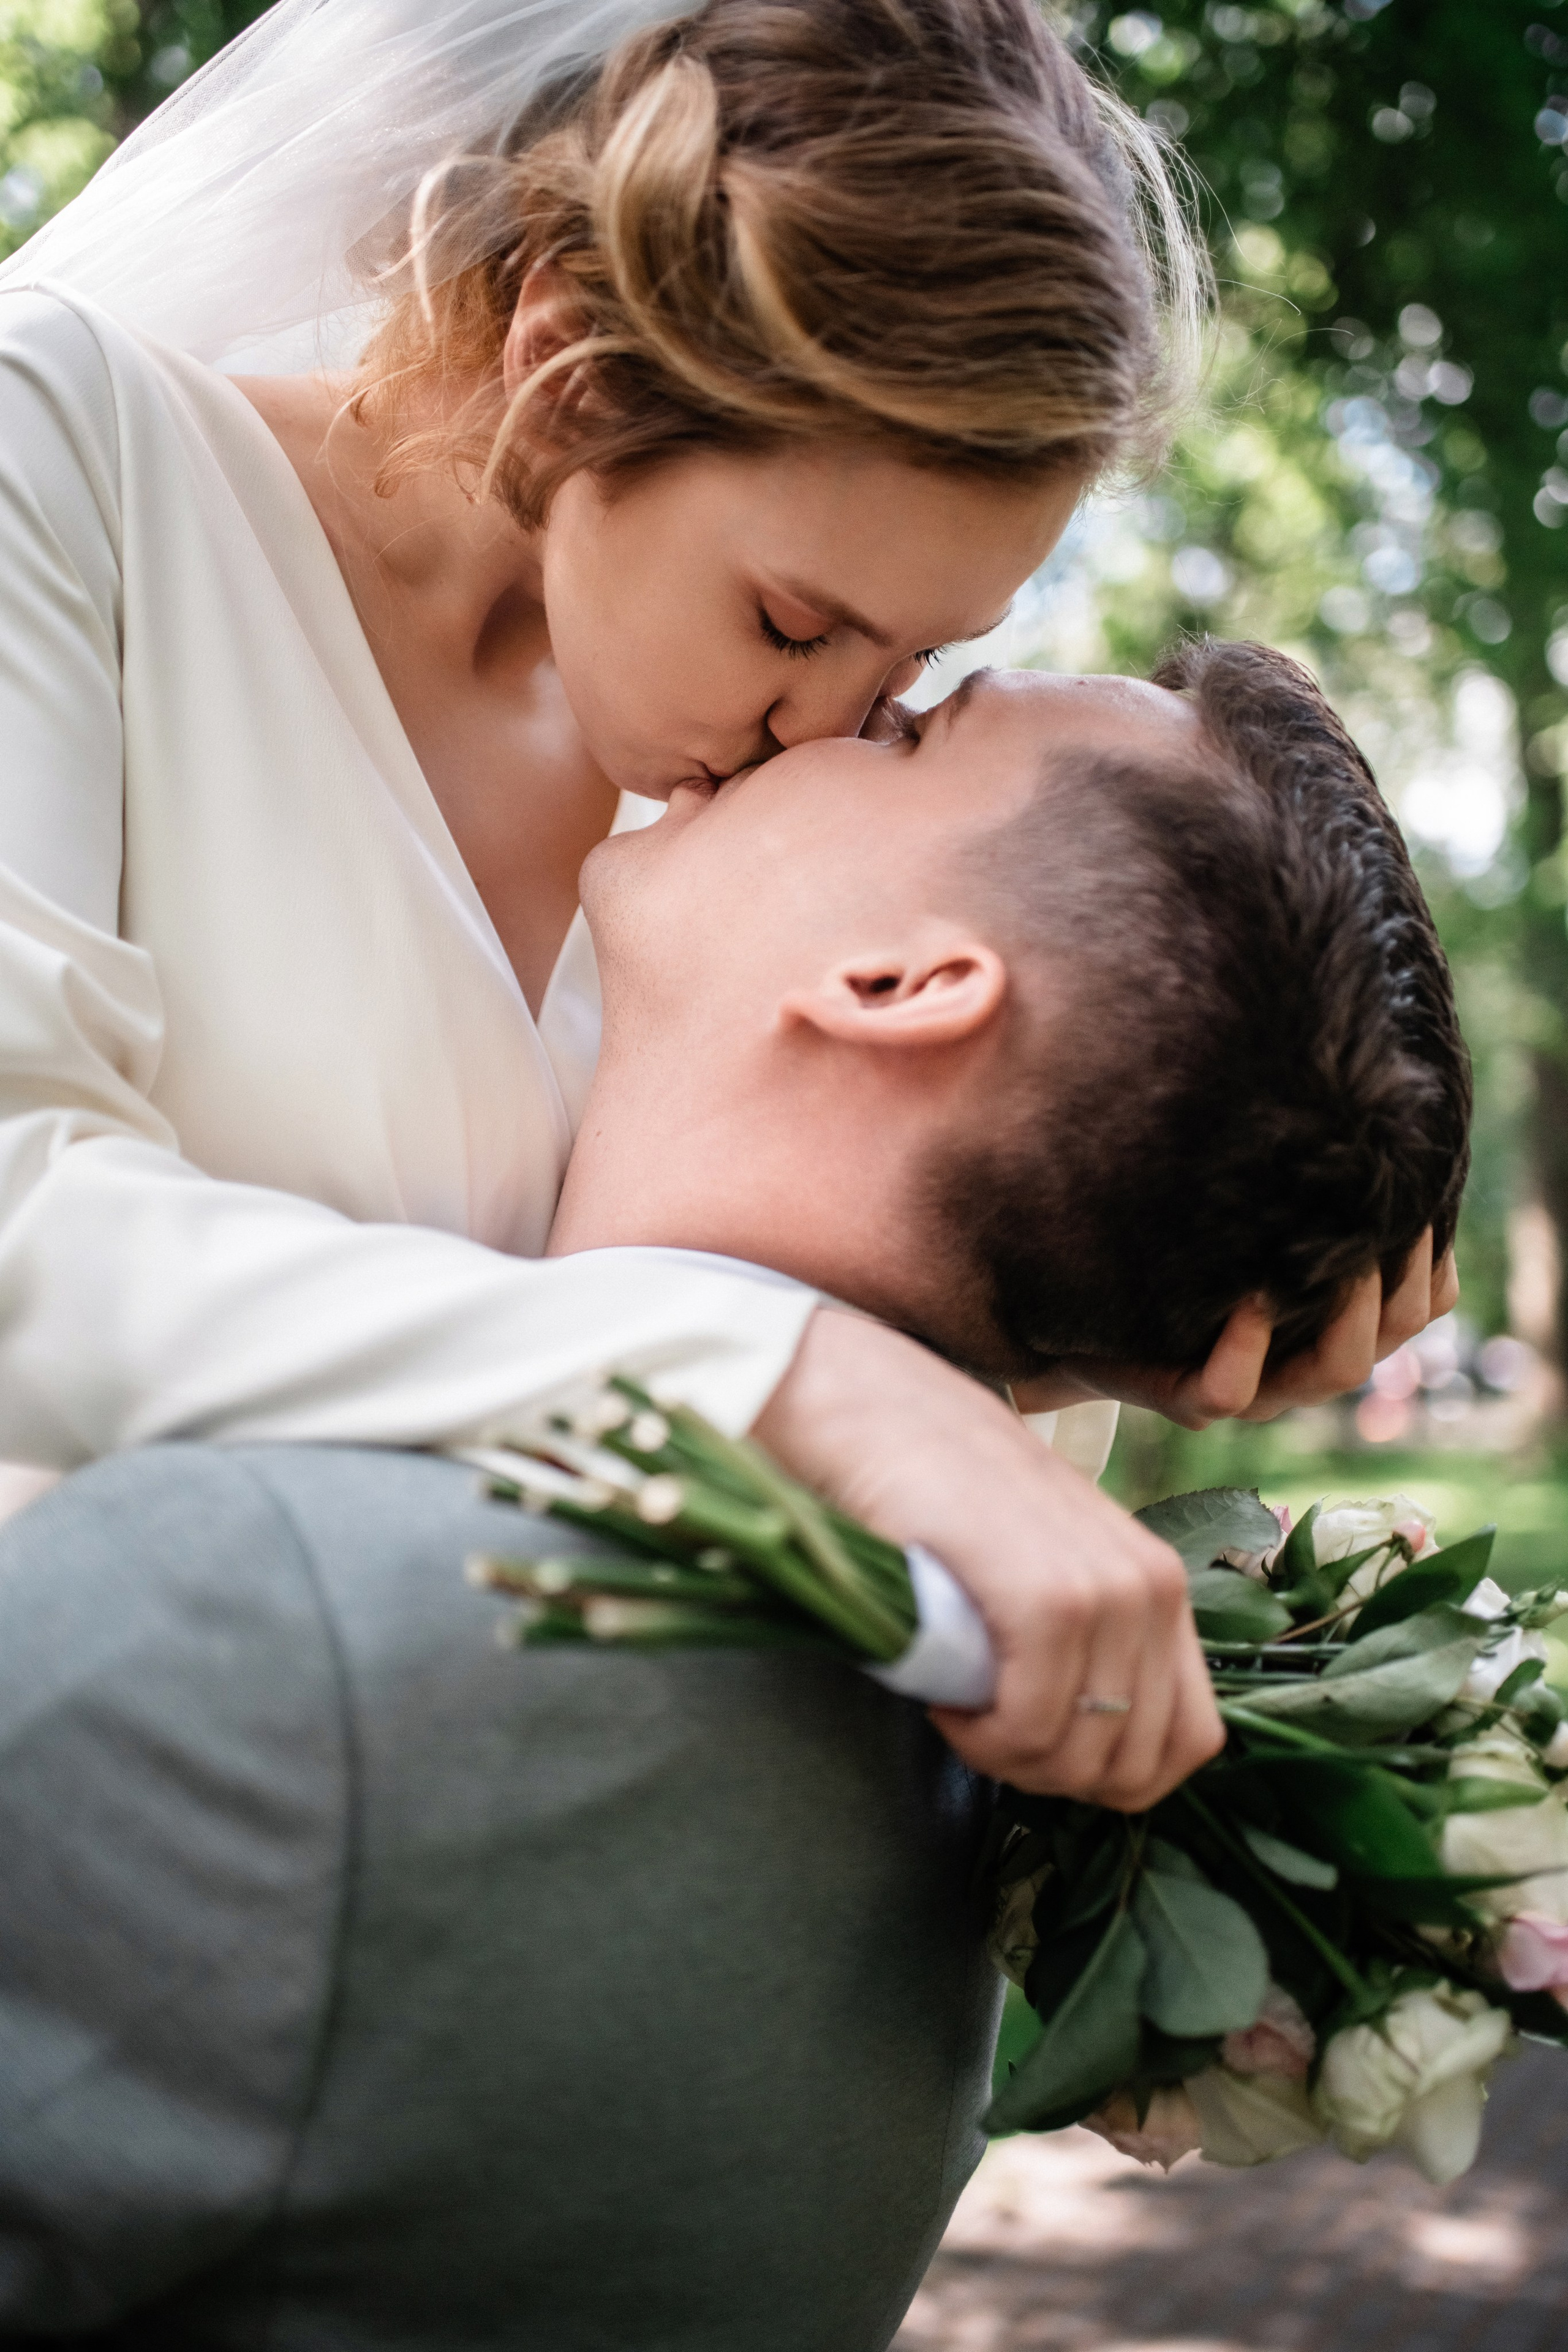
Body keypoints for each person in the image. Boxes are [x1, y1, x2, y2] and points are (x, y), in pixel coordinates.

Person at [0, 0, 1451, 1812]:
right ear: (568, 367)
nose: (829, 721)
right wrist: (784, 1380)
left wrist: (1142, 1305)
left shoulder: (714, 848)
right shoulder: (55, 462)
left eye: (922, 662)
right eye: (794, 620)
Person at [0, 636, 1468, 2350]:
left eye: (914, 732)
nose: (834, 709)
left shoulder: (276, 1613)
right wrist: (1094, 1324)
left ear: (901, 981)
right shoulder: (962, 1762)